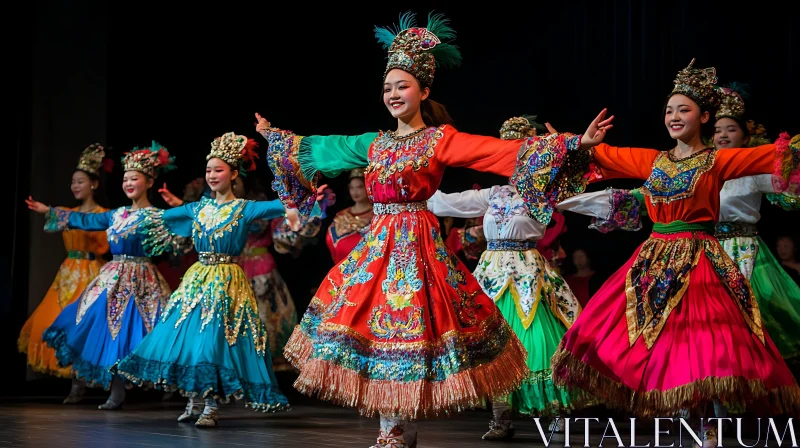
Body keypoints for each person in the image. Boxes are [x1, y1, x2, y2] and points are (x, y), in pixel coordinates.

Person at [255, 12, 612, 447]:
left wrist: (571, 144)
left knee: (408, 331)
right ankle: (392, 429)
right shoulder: (375, 142)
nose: (392, 94)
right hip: (378, 244)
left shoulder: (441, 139)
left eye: (402, 85)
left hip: (416, 245)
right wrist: (281, 142)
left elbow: (498, 152)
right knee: (374, 331)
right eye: (387, 87)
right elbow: (324, 148)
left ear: (424, 91)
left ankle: (401, 428)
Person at [550, 59, 800, 447]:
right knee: (637, 337)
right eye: (669, 110)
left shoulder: (719, 160)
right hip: (654, 260)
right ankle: (683, 415)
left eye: (684, 109)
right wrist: (580, 144)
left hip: (700, 257)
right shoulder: (654, 160)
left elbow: (773, 156)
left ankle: (711, 424)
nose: (674, 116)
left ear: (704, 116)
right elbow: (606, 157)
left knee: (707, 341)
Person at [427, 115, 639, 440]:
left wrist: (630, 202)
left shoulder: (543, 191)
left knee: (537, 342)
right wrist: (408, 193)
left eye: (521, 154)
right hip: (491, 273)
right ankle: (500, 419)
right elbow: (445, 202)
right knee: (491, 345)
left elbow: (585, 200)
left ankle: (554, 415)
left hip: (528, 274)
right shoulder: (493, 193)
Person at [113, 132, 324, 428]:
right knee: (189, 338)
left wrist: (305, 193)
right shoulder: (198, 208)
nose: (212, 175)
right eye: (209, 170)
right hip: (197, 280)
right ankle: (195, 399)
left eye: (219, 170)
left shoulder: (244, 207)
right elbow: (164, 217)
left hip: (227, 281)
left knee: (213, 341)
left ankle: (211, 404)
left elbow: (283, 204)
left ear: (234, 174)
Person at [27, 142, 178, 410]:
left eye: (134, 178)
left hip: (144, 280)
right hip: (114, 277)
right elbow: (85, 221)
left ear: (150, 182)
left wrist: (179, 208)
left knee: (151, 332)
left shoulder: (158, 216)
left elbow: (181, 233)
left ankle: (169, 386)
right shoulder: (117, 214)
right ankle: (116, 391)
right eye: (125, 179)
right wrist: (49, 211)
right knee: (107, 331)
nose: (128, 183)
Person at [710, 85, 800, 365]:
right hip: (706, 247)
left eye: (730, 129)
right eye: (717, 130)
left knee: (744, 318)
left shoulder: (754, 171)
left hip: (744, 249)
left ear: (746, 137)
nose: (722, 135)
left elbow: (788, 194)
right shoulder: (703, 169)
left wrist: (790, 165)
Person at [19, 144, 112, 403]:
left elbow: (105, 245)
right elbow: (58, 219)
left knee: (88, 325)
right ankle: (76, 384)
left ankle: (93, 380)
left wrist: (51, 212)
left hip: (94, 271)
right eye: (73, 182)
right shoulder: (65, 212)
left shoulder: (104, 215)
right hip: (69, 273)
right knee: (54, 322)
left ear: (94, 184)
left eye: (80, 181)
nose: (75, 186)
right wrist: (47, 211)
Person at [326, 168, 374, 264]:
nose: (355, 192)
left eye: (359, 187)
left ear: (368, 187)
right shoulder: (341, 215)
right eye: (352, 188)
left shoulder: (375, 215)